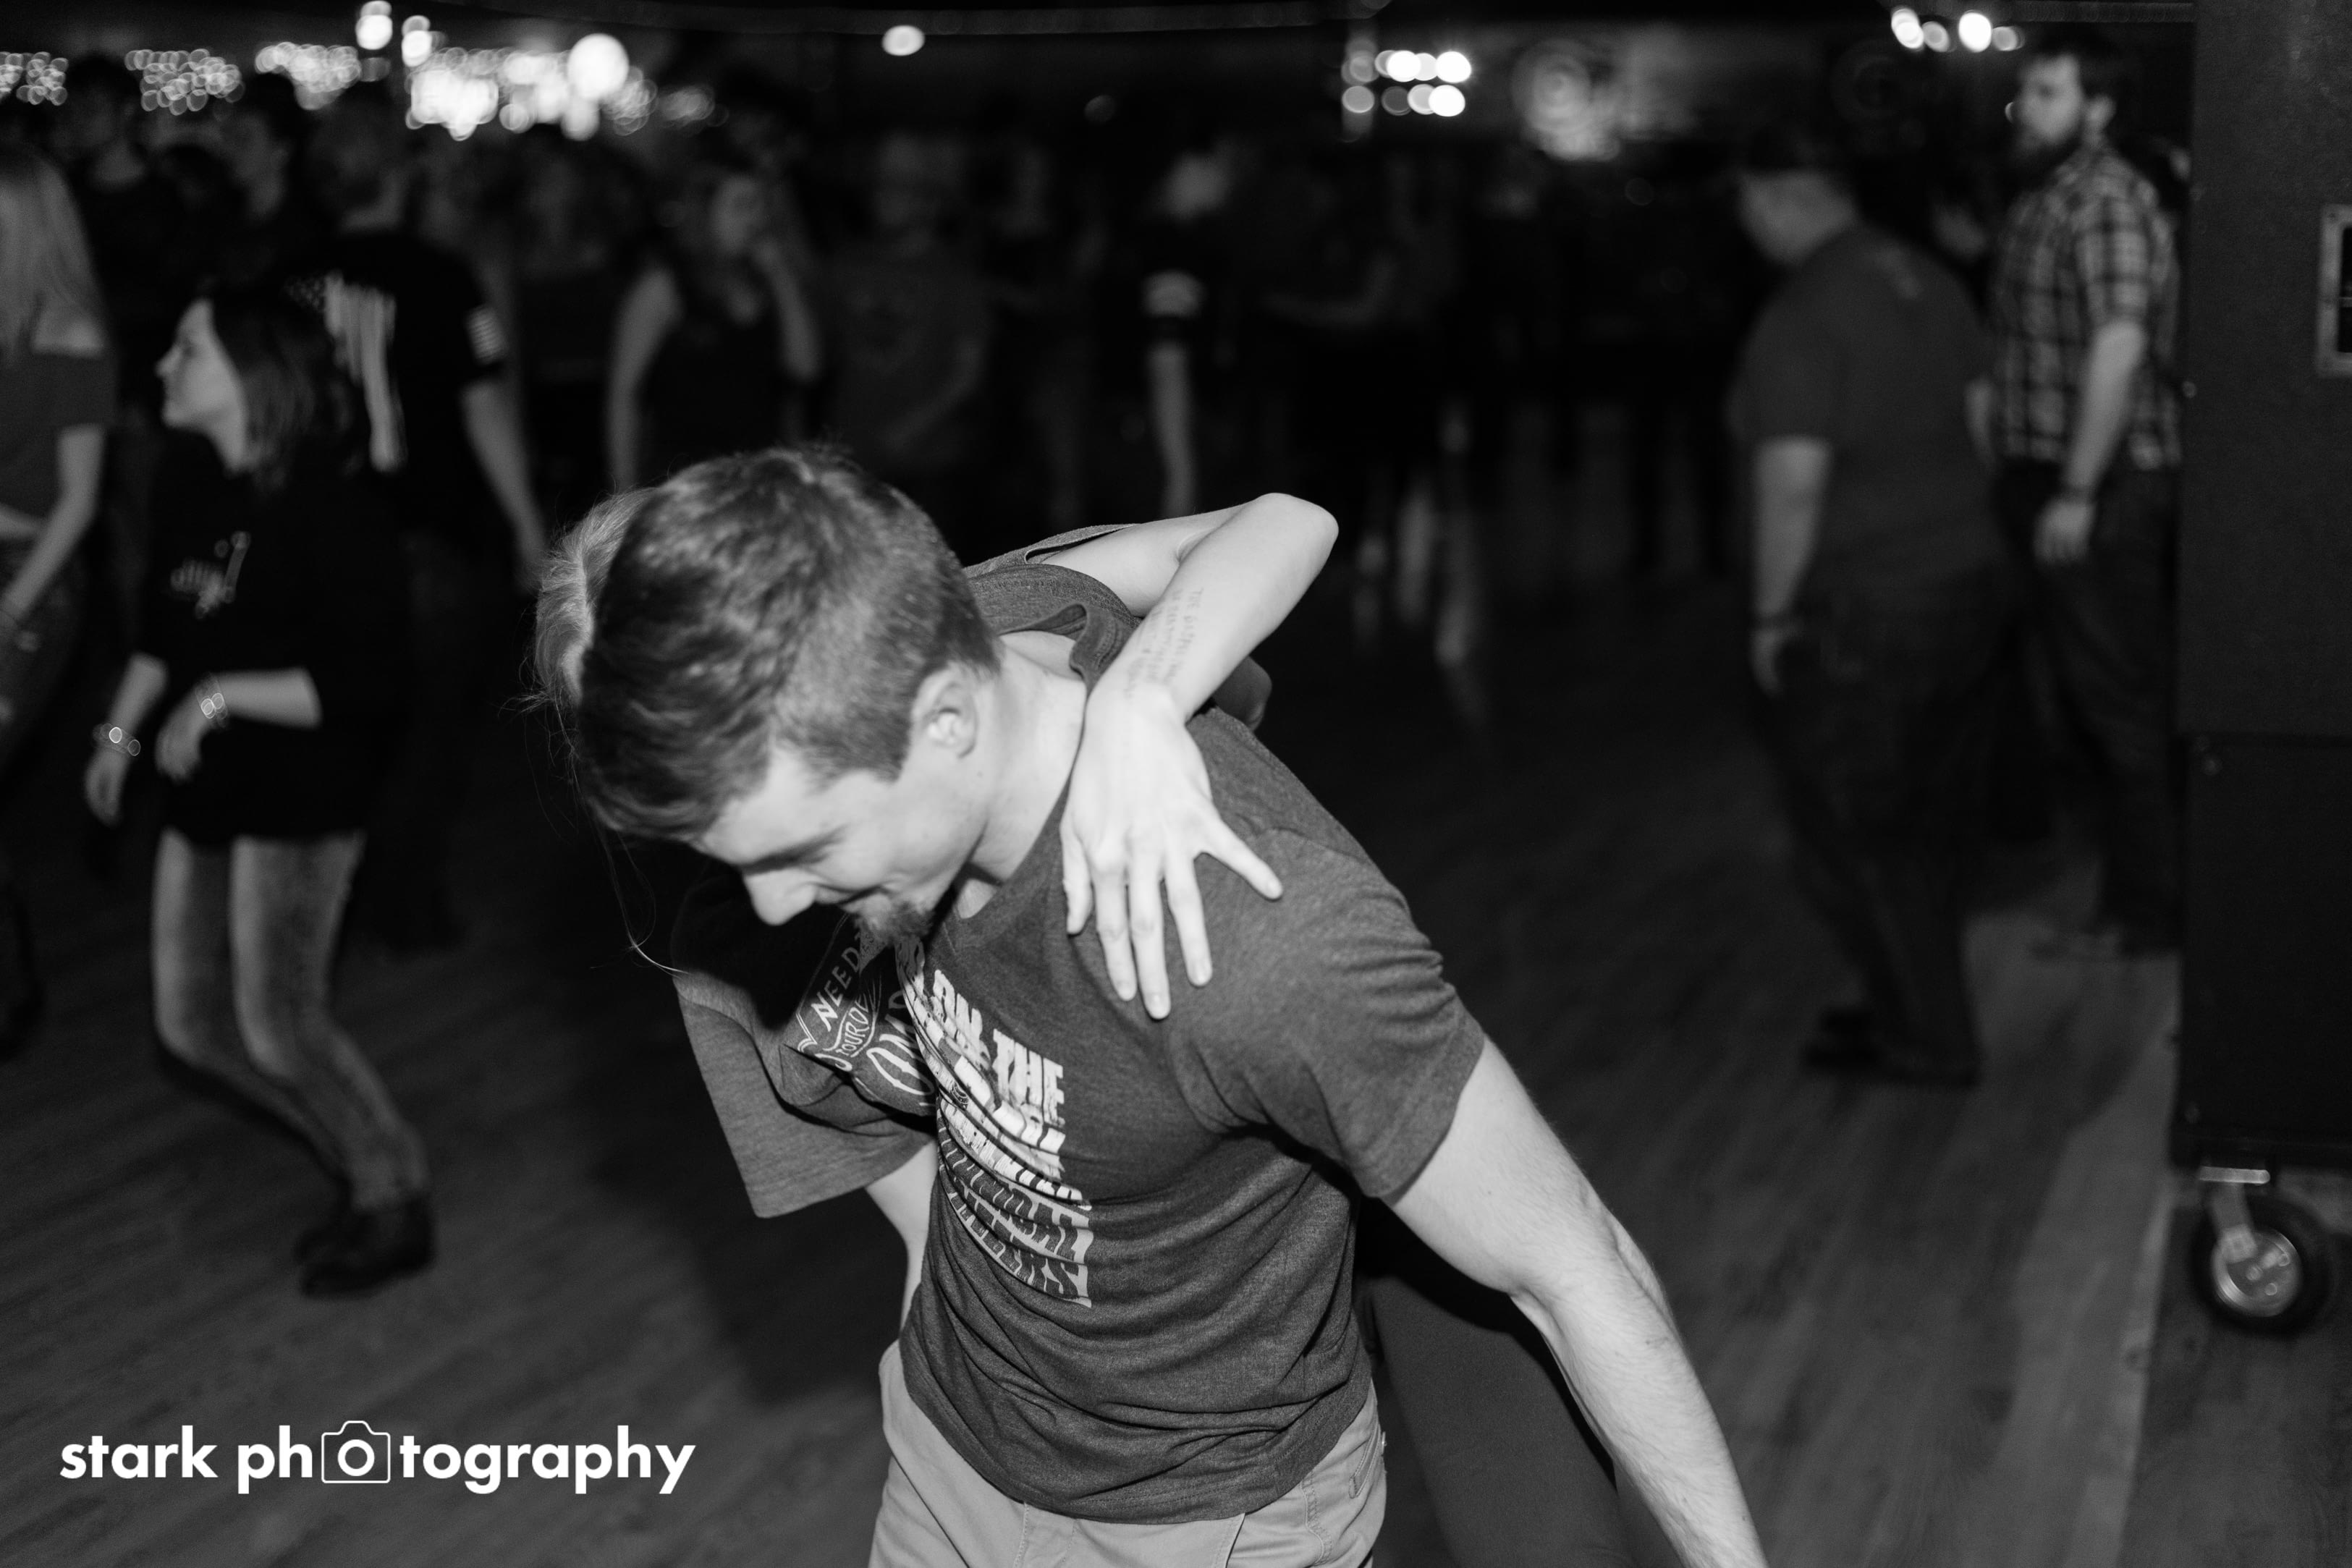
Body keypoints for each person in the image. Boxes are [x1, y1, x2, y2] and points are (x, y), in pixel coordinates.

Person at [542, 446, 1768, 1567]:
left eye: (807, 848)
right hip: (951, 1449)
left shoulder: (1262, 944)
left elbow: (1580, 1273)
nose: (771, 910)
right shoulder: (932, 642)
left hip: (1200, 1524)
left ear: (945, 722)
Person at [83, 287, 427, 1296]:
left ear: (250, 374)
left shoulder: (336, 507)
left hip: (304, 795)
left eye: (187, 350)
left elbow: (371, 682)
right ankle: (354, 1150)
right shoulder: (188, 478)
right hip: (204, 788)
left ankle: (391, 1192)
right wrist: (117, 734)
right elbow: (163, 628)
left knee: (280, 1022)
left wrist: (222, 694)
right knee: (191, 1024)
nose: (162, 367)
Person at [1728, 122, 2016, 1088]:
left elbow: (1791, 484)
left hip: (1869, 608)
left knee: (1851, 835)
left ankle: (1928, 1037)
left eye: (1745, 203)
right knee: (1928, 821)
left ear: (1775, 197)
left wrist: (1770, 617)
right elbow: (1984, 424)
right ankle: (1907, 1001)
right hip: (1967, 582)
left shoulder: (1802, 313)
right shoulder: (1924, 276)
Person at [304, 85, 546, 951]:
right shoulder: (440, 277)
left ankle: (330, 903)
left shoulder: (288, 280)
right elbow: (484, 408)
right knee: (428, 730)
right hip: (425, 543)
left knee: (339, 724)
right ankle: (403, 905)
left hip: (318, 544)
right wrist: (526, 526)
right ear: (397, 177)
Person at [1988, 25, 2183, 954]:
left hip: (2105, 484)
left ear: (2098, 109)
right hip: (2063, 478)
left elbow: (2120, 342)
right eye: (2027, 89)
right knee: (2093, 703)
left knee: (2121, 708)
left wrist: (2076, 489)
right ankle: (2133, 900)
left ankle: (2150, 913)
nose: (2027, 107)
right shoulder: (2052, 192)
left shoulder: (2103, 198)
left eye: (2050, 92)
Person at [0, 145, 114, 1056]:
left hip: (33, 575)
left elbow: (77, 504)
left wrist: (10, 611)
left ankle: (13, 992)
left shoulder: (70, 335)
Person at [606, 155, 821, 492]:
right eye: (742, 205)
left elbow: (806, 368)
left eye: (762, 205)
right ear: (704, 212)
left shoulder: (767, 284)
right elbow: (624, 395)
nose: (756, 219)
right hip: (685, 482)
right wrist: (624, 490)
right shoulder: (663, 287)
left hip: (761, 480)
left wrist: (781, 275)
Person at [824, 135, 992, 554]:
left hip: (931, 465)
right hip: (855, 457)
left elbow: (968, 373)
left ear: (929, 204)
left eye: (899, 191)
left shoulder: (954, 275)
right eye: (880, 188)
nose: (883, 200)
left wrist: (914, 426)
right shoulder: (849, 262)